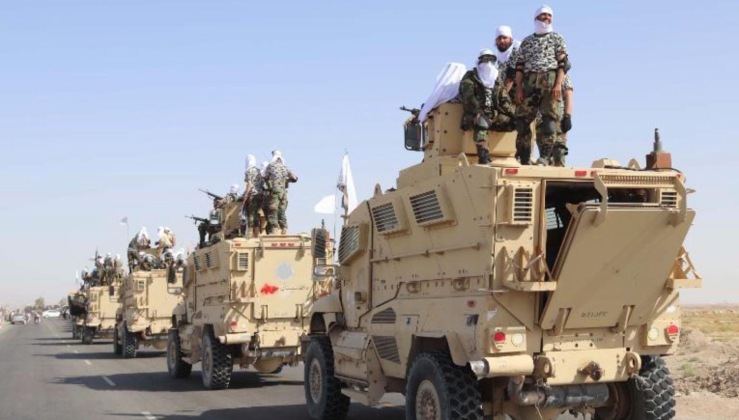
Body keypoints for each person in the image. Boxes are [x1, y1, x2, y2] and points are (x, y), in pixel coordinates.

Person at [514, 5, 570, 165]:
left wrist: (558, 84)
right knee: (522, 121)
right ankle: (524, 157)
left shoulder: (557, 38)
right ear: (536, 17)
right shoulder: (527, 41)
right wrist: (519, 88)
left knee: (549, 120)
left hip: (549, 79)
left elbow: (563, 64)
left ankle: (545, 156)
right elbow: (519, 67)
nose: (547, 18)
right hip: (530, 81)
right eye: (543, 15)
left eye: (549, 15)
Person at [459, 49, 515, 164]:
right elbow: (468, 96)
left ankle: (521, 155)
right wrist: (479, 111)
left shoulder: (496, 79)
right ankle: (483, 156)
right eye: (485, 59)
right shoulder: (470, 77)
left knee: (515, 122)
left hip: (494, 115)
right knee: (482, 122)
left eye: (491, 59)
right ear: (479, 61)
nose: (488, 63)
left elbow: (504, 98)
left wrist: (512, 114)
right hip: (474, 115)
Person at [536, 75, 573, 166]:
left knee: (558, 153)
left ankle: (559, 172)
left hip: (558, 121)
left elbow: (568, 96)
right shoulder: (539, 74)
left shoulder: (564, 76)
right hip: (540, 121)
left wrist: (567, 116)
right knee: (545, 157)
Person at [264, 150, 298, 234]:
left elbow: (265, 176)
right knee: (281, 210)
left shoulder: (271, 166)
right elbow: (295, 178)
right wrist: (286, 180)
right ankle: (284, 228)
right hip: (284, 193)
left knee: (273, 209)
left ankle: (274, 229)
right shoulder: (285, 167)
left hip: (275, 191)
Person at [494, 25, 522, 93]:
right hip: (506, 92)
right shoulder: (498, 57)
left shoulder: (517, 49)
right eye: (499, 38)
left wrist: (502, 95)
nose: (502, 41)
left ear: (510, 39)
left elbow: (511, 76)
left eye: (504, 38)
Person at [242, 155, 263, 238]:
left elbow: (249, 184)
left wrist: (246, 195)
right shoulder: (259, 171)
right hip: (260, 195)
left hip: (252, 195)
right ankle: (257, 234)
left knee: (251, 214)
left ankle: (250, 234)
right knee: (257, 214)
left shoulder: (248, 171)